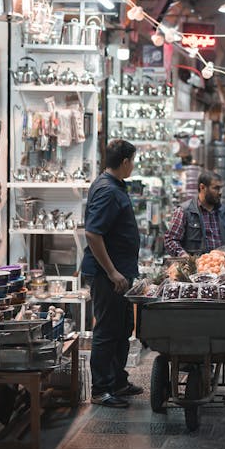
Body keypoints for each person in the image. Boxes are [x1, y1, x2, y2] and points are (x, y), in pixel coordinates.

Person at [81, 138, 142, 408]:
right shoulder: (107, 190)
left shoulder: (113, 185)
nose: (134, 166)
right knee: (107, 330)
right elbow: (93, 233)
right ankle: (101, 388)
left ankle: (118, 380)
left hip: (121, 273)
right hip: (109, 275)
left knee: (122, 327)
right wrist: (112, 271)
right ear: (126, 161)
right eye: (133, 161)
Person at [164, 169, 225, 256]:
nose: (220, 192)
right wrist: (183, 255)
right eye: (216, 188)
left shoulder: (222, 212)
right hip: (197, 267)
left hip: (221, 267)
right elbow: (171, 240)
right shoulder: (184, 211)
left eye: (221, 188)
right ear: (202, 187)